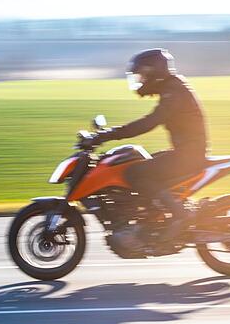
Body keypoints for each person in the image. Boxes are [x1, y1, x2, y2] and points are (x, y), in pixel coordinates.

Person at [83, 48, 208, 247]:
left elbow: (149, 123)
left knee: (135, 173)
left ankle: (180, 215)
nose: (139, 81)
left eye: (141, 75)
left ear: (154, 73)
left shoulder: (173, 92)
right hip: (185, 152)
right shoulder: (172, 88)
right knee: (136, 164)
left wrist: (107, 135)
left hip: (189, 155)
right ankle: (151, 218)